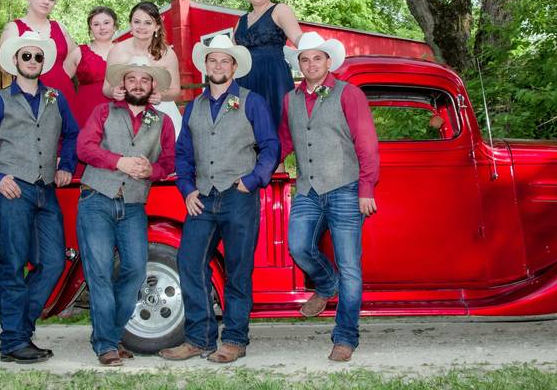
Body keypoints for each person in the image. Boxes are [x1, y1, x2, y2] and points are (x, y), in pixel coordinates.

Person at [158, 34, 279, 364]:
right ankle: (199, 338)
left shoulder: (251, 101)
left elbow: (270, 146)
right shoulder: (194, 106)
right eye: (213, 60)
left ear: (234, 67)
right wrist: (187, 188)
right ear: (205, 66)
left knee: (238, 271)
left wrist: (253, 180)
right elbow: (183, 153)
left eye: (225, 60)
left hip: (239, 197)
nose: (218, 65)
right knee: (189, 263)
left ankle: (236, 339)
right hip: (203, 199)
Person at [0, 30, 79, 364]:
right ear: (15, 61)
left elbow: (72, 134)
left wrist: (67, 165)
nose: (32, 61)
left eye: (38, 57)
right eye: (26, 56)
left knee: (55, 261)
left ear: (43, 62)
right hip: (12, 191)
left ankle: (20, 329)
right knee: (13, 265)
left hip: (45, 191)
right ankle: (13, 341)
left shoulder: (56, 98)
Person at [278, 31, 380, 362]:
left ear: (327, 61)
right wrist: (253, 170)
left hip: (346, 189)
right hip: (307, 189)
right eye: (304, 59)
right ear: (299, 64)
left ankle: (345, 338)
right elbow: (284, 142)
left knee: (351, 267)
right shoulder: (289, 99)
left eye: (316, 58)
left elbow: (366, 143)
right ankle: (325, 284)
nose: (310, 64)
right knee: (298, 247)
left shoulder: (349, 95)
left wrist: (366, 188)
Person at [76, 57, 176, 366]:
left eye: (144, 80)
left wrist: (152, 170)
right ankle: (107, 344)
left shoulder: (162, 121)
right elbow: (84, 148)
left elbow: (170, 162)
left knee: (134, 270)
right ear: (124, 83)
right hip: (97, 199)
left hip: (133, 205)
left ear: (151, 87)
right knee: (101, 272)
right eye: (132, 79)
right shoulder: (103, 112)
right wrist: (119, 161)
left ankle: (109, 334)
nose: (137, 84)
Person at [233, 0, 303, 126]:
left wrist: (316, 48)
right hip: (244, 81)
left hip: (273, 79)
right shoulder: (241, 20)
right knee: (246, 134)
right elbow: (231, 55)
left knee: (273, 129)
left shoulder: (280, 10)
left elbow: (298, 37)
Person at [104, 1, 182, 137]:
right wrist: (113, 92)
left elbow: (175, 90)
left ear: (157, 26)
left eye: (148, 22)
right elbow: (106, 88)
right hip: (126, 115)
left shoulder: (168, 54)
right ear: (130, 24)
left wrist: (161, 96)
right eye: (137, 22)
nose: (141, 27)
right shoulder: (117, 50)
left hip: (161, 113)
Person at [0, 0, 77, 108]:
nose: (46, 1)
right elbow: (5, 66)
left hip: (64, 94)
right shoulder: (13, 28)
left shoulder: (60, 27)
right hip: (30, 95)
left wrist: (61, 75)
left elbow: (76, 58)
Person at [65, 6, 118, 127]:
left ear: (114, 26)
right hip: (86, 113)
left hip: (119, 112)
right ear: (90, 28)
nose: (102, 28)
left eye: (106, 23)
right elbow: (62, 83)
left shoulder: (126, 51)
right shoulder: (78, 52)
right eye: (96, 24)